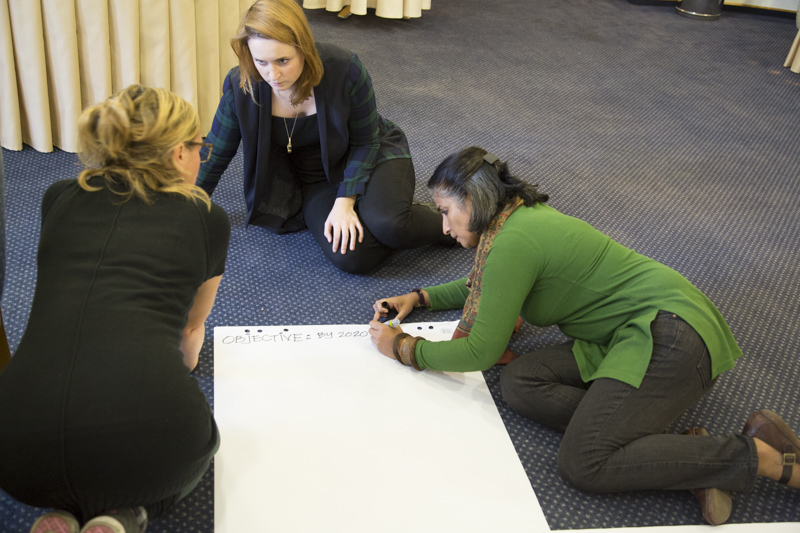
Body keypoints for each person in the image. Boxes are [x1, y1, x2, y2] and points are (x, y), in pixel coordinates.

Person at [368, 146, 800, 526]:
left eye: (445, 211)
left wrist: (405, 348)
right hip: (626, 334)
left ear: (474, 199)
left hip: (671, 335)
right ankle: (674, 453)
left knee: (584, 462)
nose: (443, 227)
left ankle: (759, 455)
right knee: (521, 382)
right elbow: (488, 285)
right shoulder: (513, 221)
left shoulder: (513, 241)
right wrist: (420, 297)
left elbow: (481, 351)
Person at [0, 85, 231, 533]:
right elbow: (189, 335)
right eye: (199, 148)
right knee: (206, 445)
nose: (201, 159)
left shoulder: (58, 196)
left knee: (62, 459)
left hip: (13, 452)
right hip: (143, 446)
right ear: (178, 153)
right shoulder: (206, 217)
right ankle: (130, 515)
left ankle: (59, 511)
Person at [197, 0, 453, 274]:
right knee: (353, 257)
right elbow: (214, 154)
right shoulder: (240, 86)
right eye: (261, 62)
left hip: (372, 154)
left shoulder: (345, 69)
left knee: (391, 225)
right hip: (317, 180)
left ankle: (463, 219)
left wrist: (345, 201)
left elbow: (366, 142)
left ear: (304, 48)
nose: (273, 74)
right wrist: (184, 205)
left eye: (283, 60)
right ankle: (392, 219)